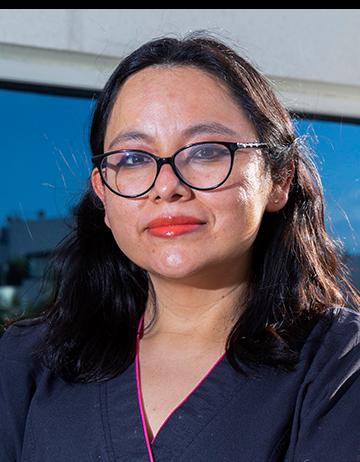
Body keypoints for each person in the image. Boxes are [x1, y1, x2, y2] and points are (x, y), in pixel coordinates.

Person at [1, 33, 359, 462]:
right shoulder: (26, 361)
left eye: (206, 152)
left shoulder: (339, 365)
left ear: (279, 179)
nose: (168, 187)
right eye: (133, 159)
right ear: (104, 196)